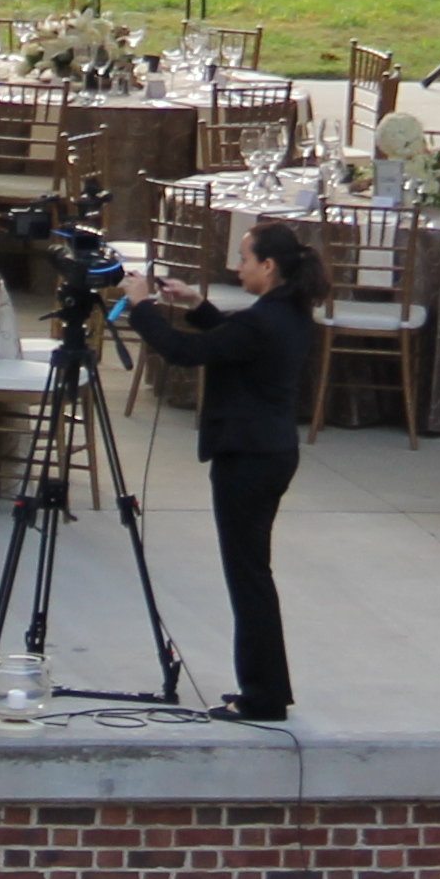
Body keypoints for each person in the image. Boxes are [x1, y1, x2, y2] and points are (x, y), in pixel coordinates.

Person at [123, 215, 325, 722]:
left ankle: (264, 696)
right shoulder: (288, 311)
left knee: (249, 577)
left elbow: (185, 352)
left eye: (244, 259)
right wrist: (197, 305)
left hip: (250, 459)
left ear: (269, 265)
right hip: (270, 452)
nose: (237, 268)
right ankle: (265, 688)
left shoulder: (266, 318)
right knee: (252, 573)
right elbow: (236, 342)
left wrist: (141, 305)